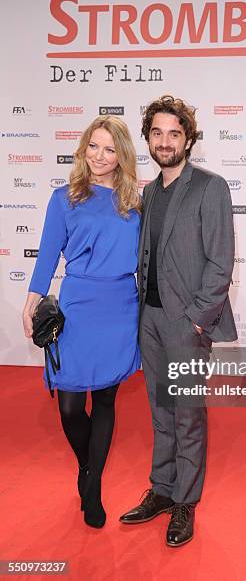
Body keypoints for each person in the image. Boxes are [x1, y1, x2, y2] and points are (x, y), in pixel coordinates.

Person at [119, 95, 237, 546]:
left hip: (186, 323)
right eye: (156, 133)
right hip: (148, 318)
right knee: (159, 412)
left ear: (188, 139)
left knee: (187, 415)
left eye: (173, 133)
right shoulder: (149, 192)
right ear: (148, 138)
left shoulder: (211, 187)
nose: (164, 141)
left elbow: (220, 263)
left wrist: (195, 321)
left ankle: (186, 501)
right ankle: (163, 489)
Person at [22, 115, 142, 529]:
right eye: (94, 146)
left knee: (105, 399)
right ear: (83, 148)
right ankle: (87, 467)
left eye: (109, 149)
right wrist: (32, 300)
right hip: (78, 303)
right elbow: (47, 253)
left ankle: (92, 488)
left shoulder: (135, 202)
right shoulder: (64, 198)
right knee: (71, 404)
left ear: (122, 155)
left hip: (120, 306)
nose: (99, 156)